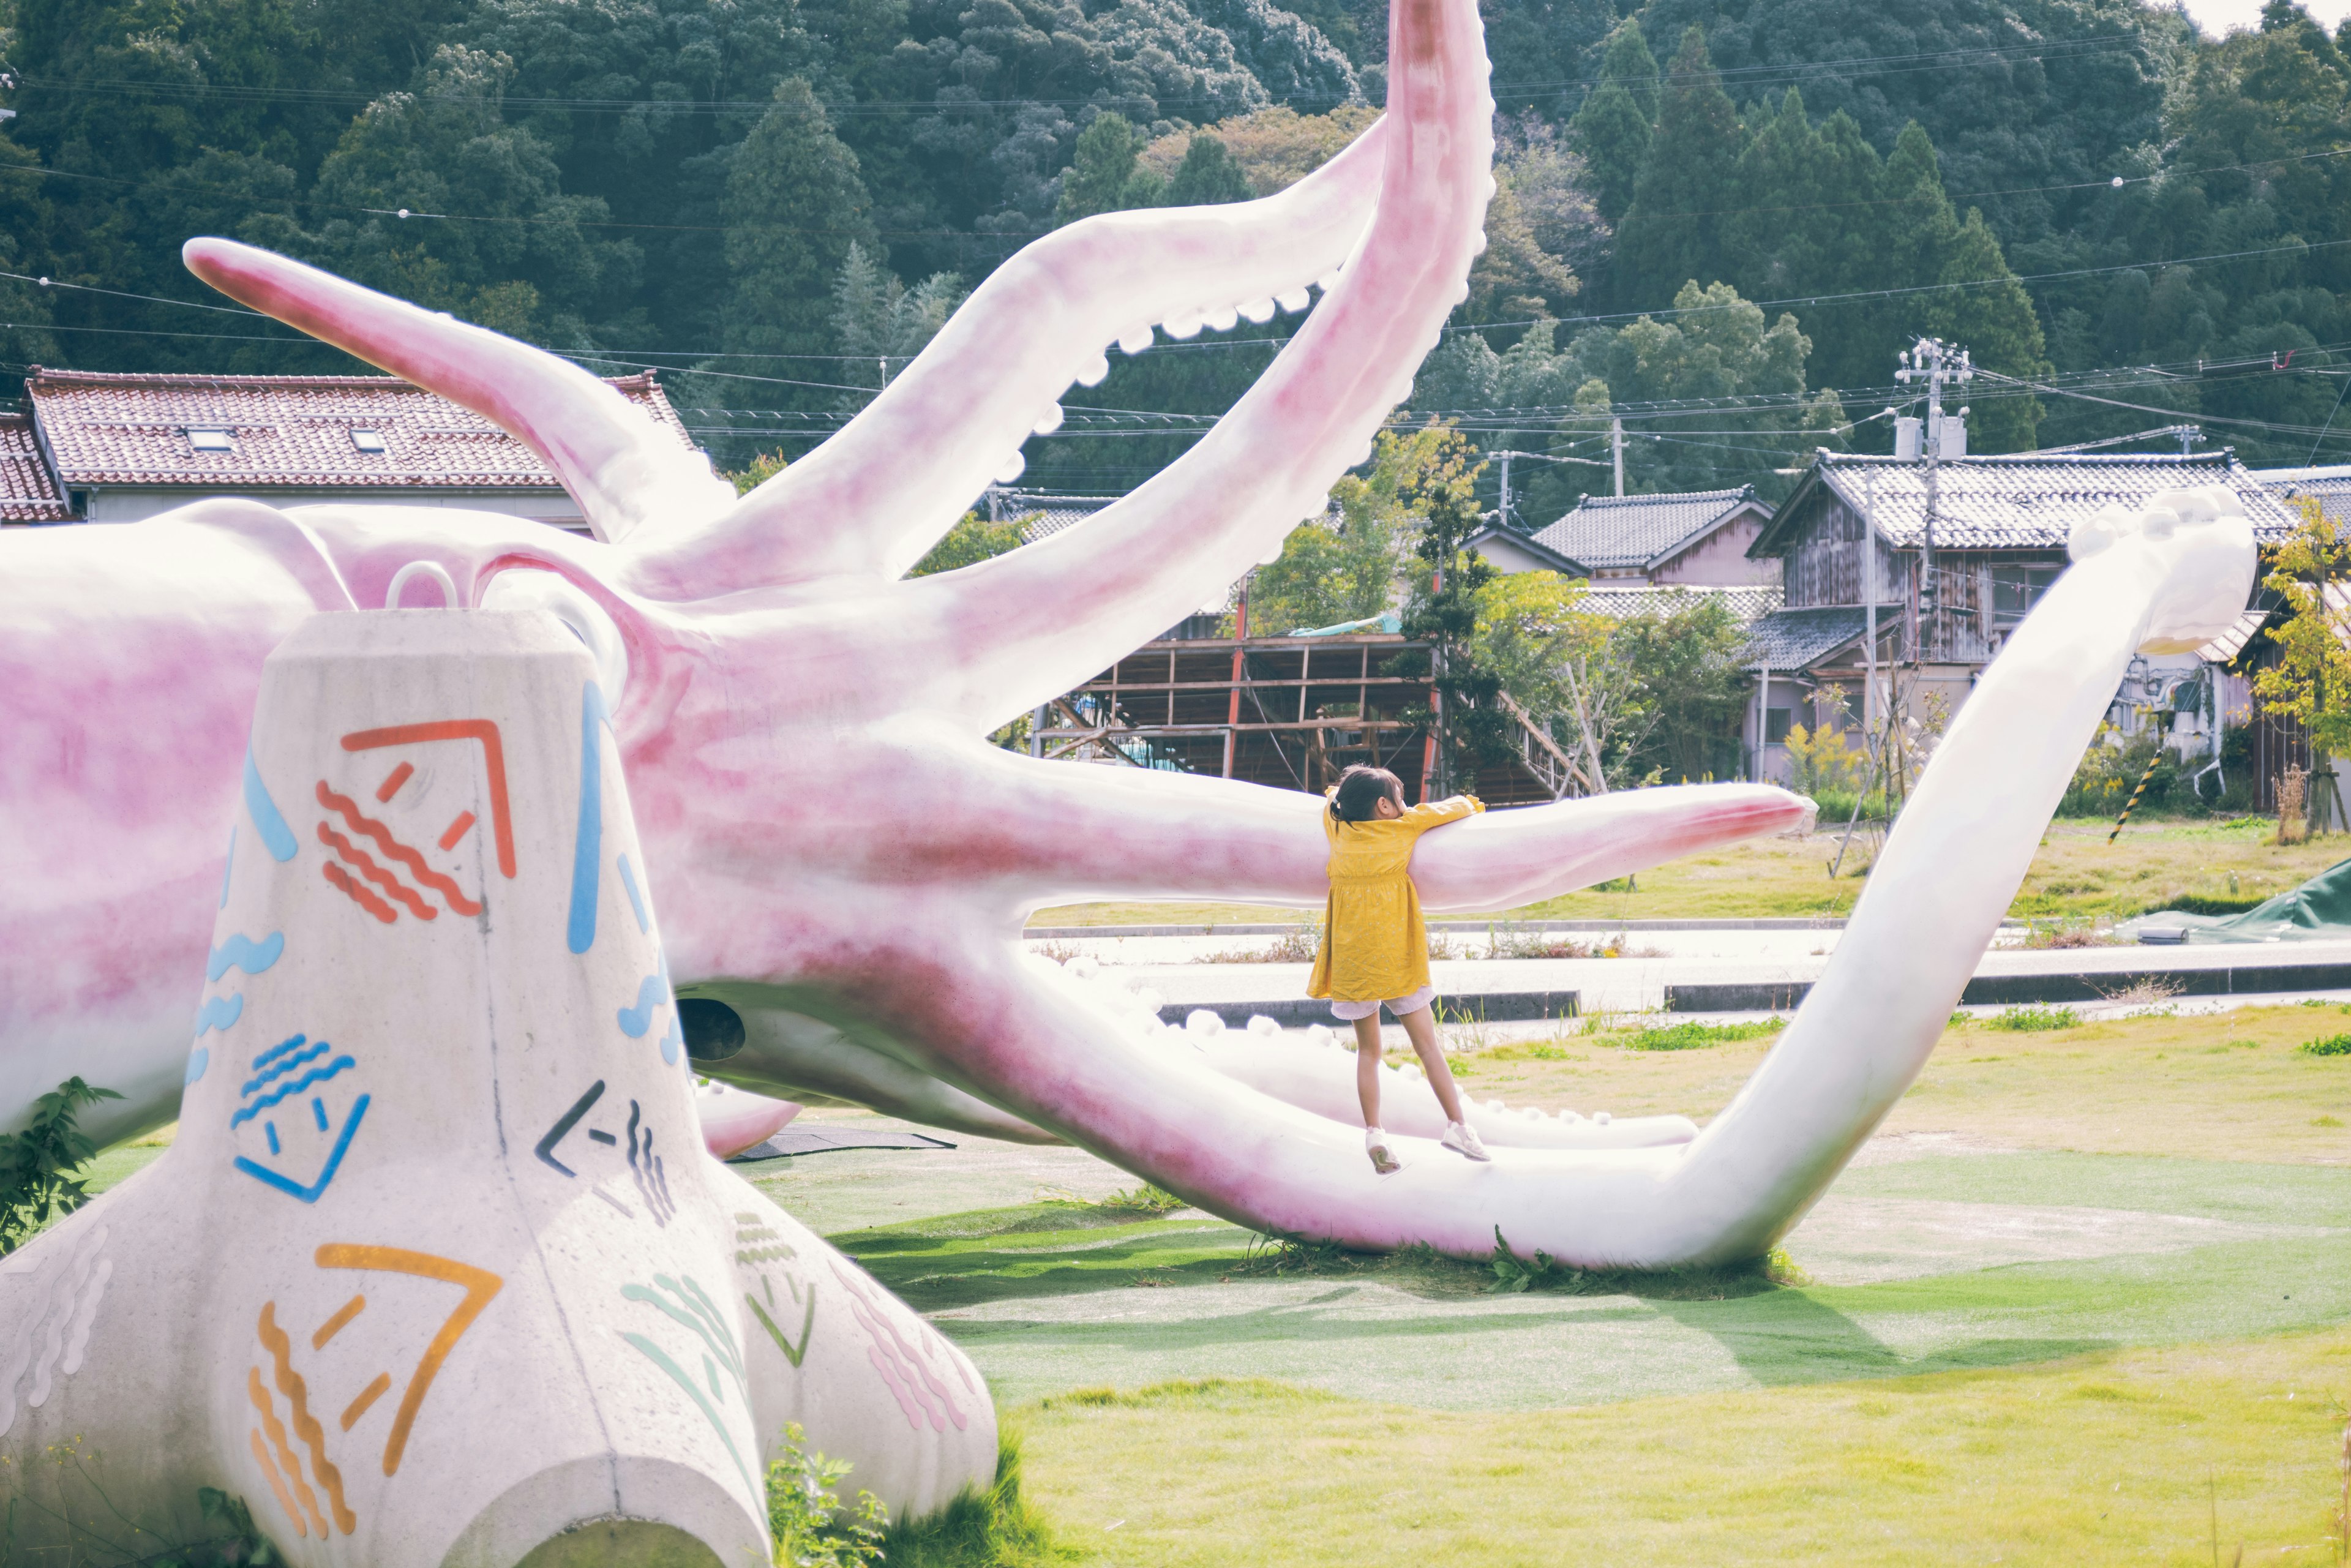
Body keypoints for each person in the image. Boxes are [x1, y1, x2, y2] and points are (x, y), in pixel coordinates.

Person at [1307, 763, 1488, 1173]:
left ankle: (1374, 1131)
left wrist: (1344, 790)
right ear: (1385, 805)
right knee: (1428, 1047)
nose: (1406, 804)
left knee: (1369, 1052)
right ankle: (1458, 1125)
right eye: (1400, 797)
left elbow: (1331, 797)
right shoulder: (1405, 825)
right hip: (1394, 957)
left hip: (1353, 961)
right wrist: (1463, 803)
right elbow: (1457, 807)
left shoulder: (1337, 827)